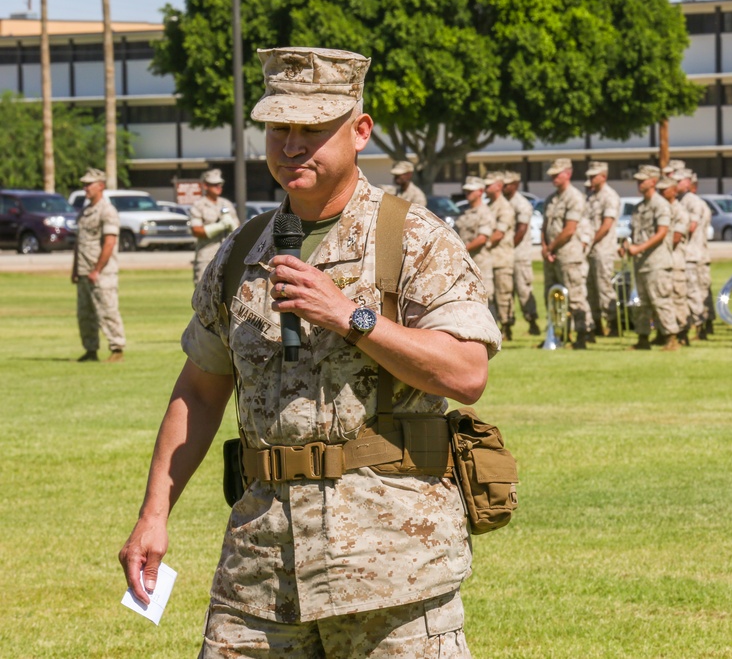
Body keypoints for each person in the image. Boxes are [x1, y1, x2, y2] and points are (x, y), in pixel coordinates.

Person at [118, 47, 501, 658]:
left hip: (391, 571)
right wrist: (154, 513)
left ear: (360, 131)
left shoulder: (416, 239)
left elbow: (466, 371)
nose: (292, 146)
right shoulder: (241, 252)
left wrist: (352, 317)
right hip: (259, 572)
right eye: (279, 128)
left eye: (313, 129)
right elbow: (200, 388)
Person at [620, 165, 681, 351]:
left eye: (643, 180)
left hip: (657, 262)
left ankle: (671, 338)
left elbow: (661, 233)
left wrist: (639, 248)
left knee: (661, 301)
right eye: (638, 180)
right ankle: (643, 338)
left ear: (653, 182)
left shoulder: (661, 205)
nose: (639, 183)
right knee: (641, 304)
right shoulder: (639, 207)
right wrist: (625, 245)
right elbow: (634, 234)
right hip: (640, 264)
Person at [72, 167, 126, 363]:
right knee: (85, 314)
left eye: (89, 184)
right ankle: (90, 350)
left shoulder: (107, 211)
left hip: (102, 272)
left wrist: (97, 270)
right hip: (84, 271)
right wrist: (75, 270)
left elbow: (109, 243)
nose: (85, 187)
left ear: (101, 186)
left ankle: (117, 348)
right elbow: (79, 243)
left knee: (107, 310)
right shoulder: (85, 212)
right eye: (84, 184)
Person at [541, 158, 592, 349]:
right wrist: (545, 248)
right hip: (552, 255)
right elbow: (544, 227)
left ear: (568, 174)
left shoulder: (575, 197)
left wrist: (551, 247)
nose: (553, 177)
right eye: (552, 174)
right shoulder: (551, 199)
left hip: (570, 256)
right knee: (551, 295)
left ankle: (582, 335)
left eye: (557, 174)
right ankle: (557, 334)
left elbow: (570, 229)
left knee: (575, 296)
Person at [583, 161, 621, 337]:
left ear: (603, 176)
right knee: (590, 289)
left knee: (604, 288)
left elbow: (606, 224)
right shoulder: (590, 196)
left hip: (603, 250)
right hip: (589, 250)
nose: (590, 178)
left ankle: (613, 323)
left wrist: (590, 241)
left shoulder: (609, 196)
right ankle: (596, 323)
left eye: (594, 175)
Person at [676, 169, 712, 340]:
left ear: (688, 182)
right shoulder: (680, 201)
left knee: (695, 293)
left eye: (679, 180)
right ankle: (696, 324)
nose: (675, 184)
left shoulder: (692, 202)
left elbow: (690, 227)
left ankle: (700, 326)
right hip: (686, 255)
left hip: (693, 254)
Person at [503, 171, 541, 335]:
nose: (504, 187)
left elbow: (522, 230)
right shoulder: (503, 202)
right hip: (506, 255)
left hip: (519, 255)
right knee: (505, 291)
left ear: (516, 185)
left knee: (523, 289)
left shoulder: (522, 204)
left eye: (507, 184)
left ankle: (532, 322)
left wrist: (508, 246)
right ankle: (507, 325)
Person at [189, 168, 239, 286]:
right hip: (206, 254)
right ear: (206, 186)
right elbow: (196, 230)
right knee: (202, 291)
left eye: (220, 184)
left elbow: (237, 229)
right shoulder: (199, 205)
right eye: (214, 184)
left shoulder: (226, 204)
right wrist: (220, 226)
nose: (219, 187)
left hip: (226, 255)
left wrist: (231, 224)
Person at [660, 174, 691, 345]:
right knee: (663, 298)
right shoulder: (660, 208)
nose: (661, 192)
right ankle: (663, 330)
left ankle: (682, 332)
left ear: (673, 191)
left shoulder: (680, 211)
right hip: (661, 261)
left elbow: (676, 237)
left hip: (675, 261)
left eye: (664, 189)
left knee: (677, 298)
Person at [457, 176, 496, 313]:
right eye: (466, 191)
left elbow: (482, 239)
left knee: (485, 302)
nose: (468, 194)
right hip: (464, 265)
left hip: (481, 265)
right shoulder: (464, 213)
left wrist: (461, 250)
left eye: (471, 191)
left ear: (480, 191)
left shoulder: (485, 213)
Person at [485, 172, 516, 340]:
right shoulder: (489, 206)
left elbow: (499, 233)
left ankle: (506, 327)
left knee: (504, 296)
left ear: (498, 186)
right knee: (491, 297)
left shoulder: (504, 207)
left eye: (489, 185)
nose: (485, 188)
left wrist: (484, 244)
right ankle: (495, 328)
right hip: (490, 259)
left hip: (501, 258)